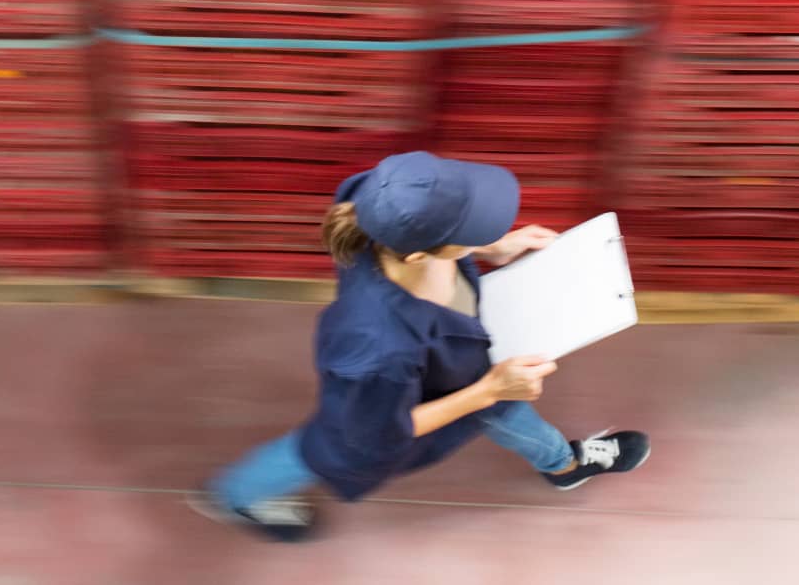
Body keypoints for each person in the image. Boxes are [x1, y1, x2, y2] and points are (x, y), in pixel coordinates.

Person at [189, 151, 650, 542]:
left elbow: (435, 229)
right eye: (471, 230)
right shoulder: (374, 346)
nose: (484, 231)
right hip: (396, 402)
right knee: (318, 451)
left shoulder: (377, 201)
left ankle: (562, 464)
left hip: (455, 361)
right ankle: (234, 496)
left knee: (504, 411)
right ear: (418, 255)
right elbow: (382, 431)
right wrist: (488, 388)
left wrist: (495, 246)